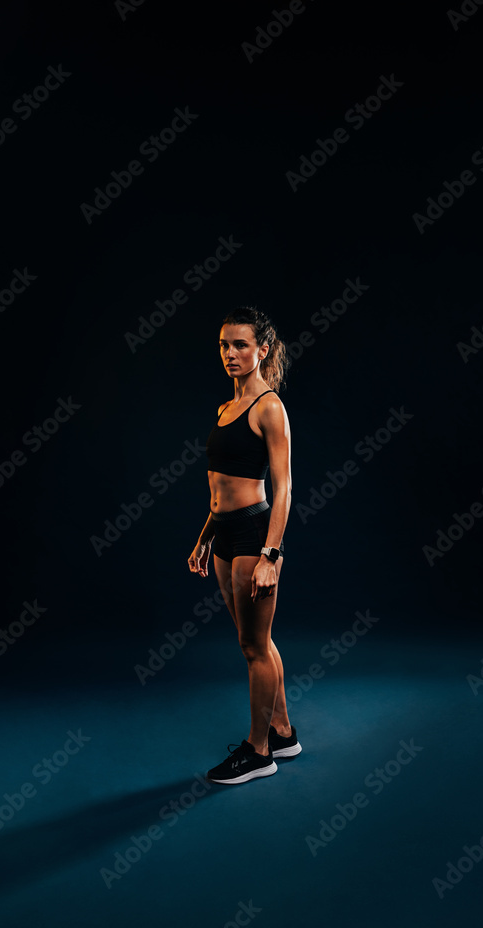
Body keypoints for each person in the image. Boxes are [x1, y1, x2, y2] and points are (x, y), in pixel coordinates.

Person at [188, 306, 302, 785]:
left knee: (254, 646)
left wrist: (271, 556)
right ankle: (282, 730)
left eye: (240, 345)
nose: (230, 354)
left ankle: (259, 753)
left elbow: (284, 487)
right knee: (253, 642)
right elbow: (220, 487)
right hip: (223, 536)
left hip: (255, 537)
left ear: (263, 350)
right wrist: (203, 537)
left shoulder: (269, 407)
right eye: (223, 345)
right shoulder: (225, 408)